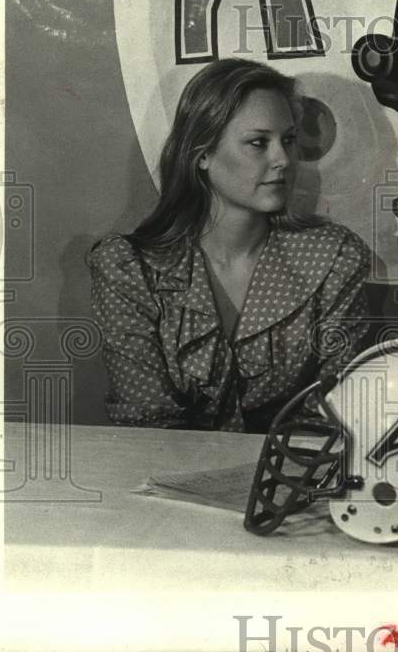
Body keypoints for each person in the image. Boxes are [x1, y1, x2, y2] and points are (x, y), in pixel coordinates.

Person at [88, 59, 371, 431]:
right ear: (202, 153)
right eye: (258, 143)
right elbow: (147, 420)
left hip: (291, 479)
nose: (283, 160)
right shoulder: (129, 269)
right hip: (164, 479)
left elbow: (333, 411)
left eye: (288, 140)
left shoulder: (333, 260)